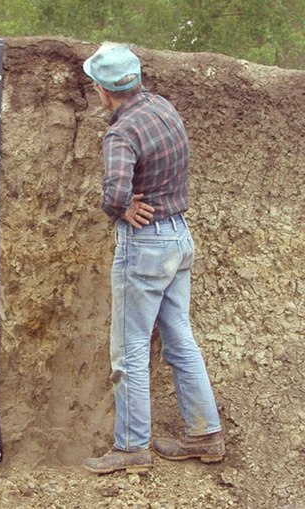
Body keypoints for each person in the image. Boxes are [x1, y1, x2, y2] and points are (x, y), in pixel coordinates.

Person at [82, 43, 224, 474]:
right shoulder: (163, 108)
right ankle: (206, 435)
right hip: (179, 236)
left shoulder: (122, 132)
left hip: (145, 246)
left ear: (105, 91)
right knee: (180, 338)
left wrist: (120, 208)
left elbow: (114, 193)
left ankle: (131, 447)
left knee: (129, 351)